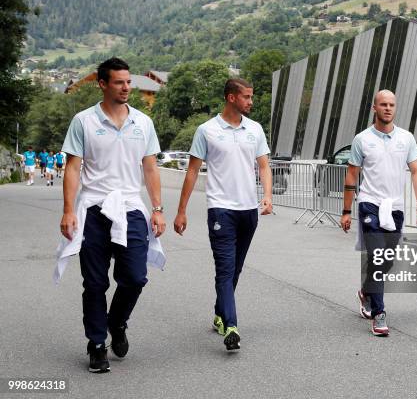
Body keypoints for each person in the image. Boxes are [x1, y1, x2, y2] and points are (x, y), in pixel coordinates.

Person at [56, 57, 166, 373]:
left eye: (128, 82)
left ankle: (116, 322)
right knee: (94, 282)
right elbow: (74, 168)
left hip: (130, 208)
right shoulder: (83, 121)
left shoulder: (143, 123)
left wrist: (157, 209)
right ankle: (96, 344)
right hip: (93, 209)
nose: (126, 87)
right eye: (119, 82)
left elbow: (150, 167)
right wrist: (68, 210)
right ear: (102, 84)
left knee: (135, 277)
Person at [174, 78, 272, 351]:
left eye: (251, 97)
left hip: (248, 210)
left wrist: (267, 195)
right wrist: (181, 211)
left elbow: (264, 166)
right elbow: (192, 171)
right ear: (231, 98)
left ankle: (219, 313)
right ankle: (231, 325)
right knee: (225, 269)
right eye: (247, 97)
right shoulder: (206, 130)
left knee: (235, 268)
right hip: (221, 210)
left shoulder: (255, 129)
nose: (251, 102)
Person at [340, 90, 417, 337]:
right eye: (383, 104)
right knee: (377, 257)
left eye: (391, 105)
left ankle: (366, 291)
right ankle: (379, 314)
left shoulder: (406, 138)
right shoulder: (362, 139)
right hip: (370, 204)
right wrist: (346, 211)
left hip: (395, 207)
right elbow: (352, 175)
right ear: (374, 108)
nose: (388, 108)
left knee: (387, 259)